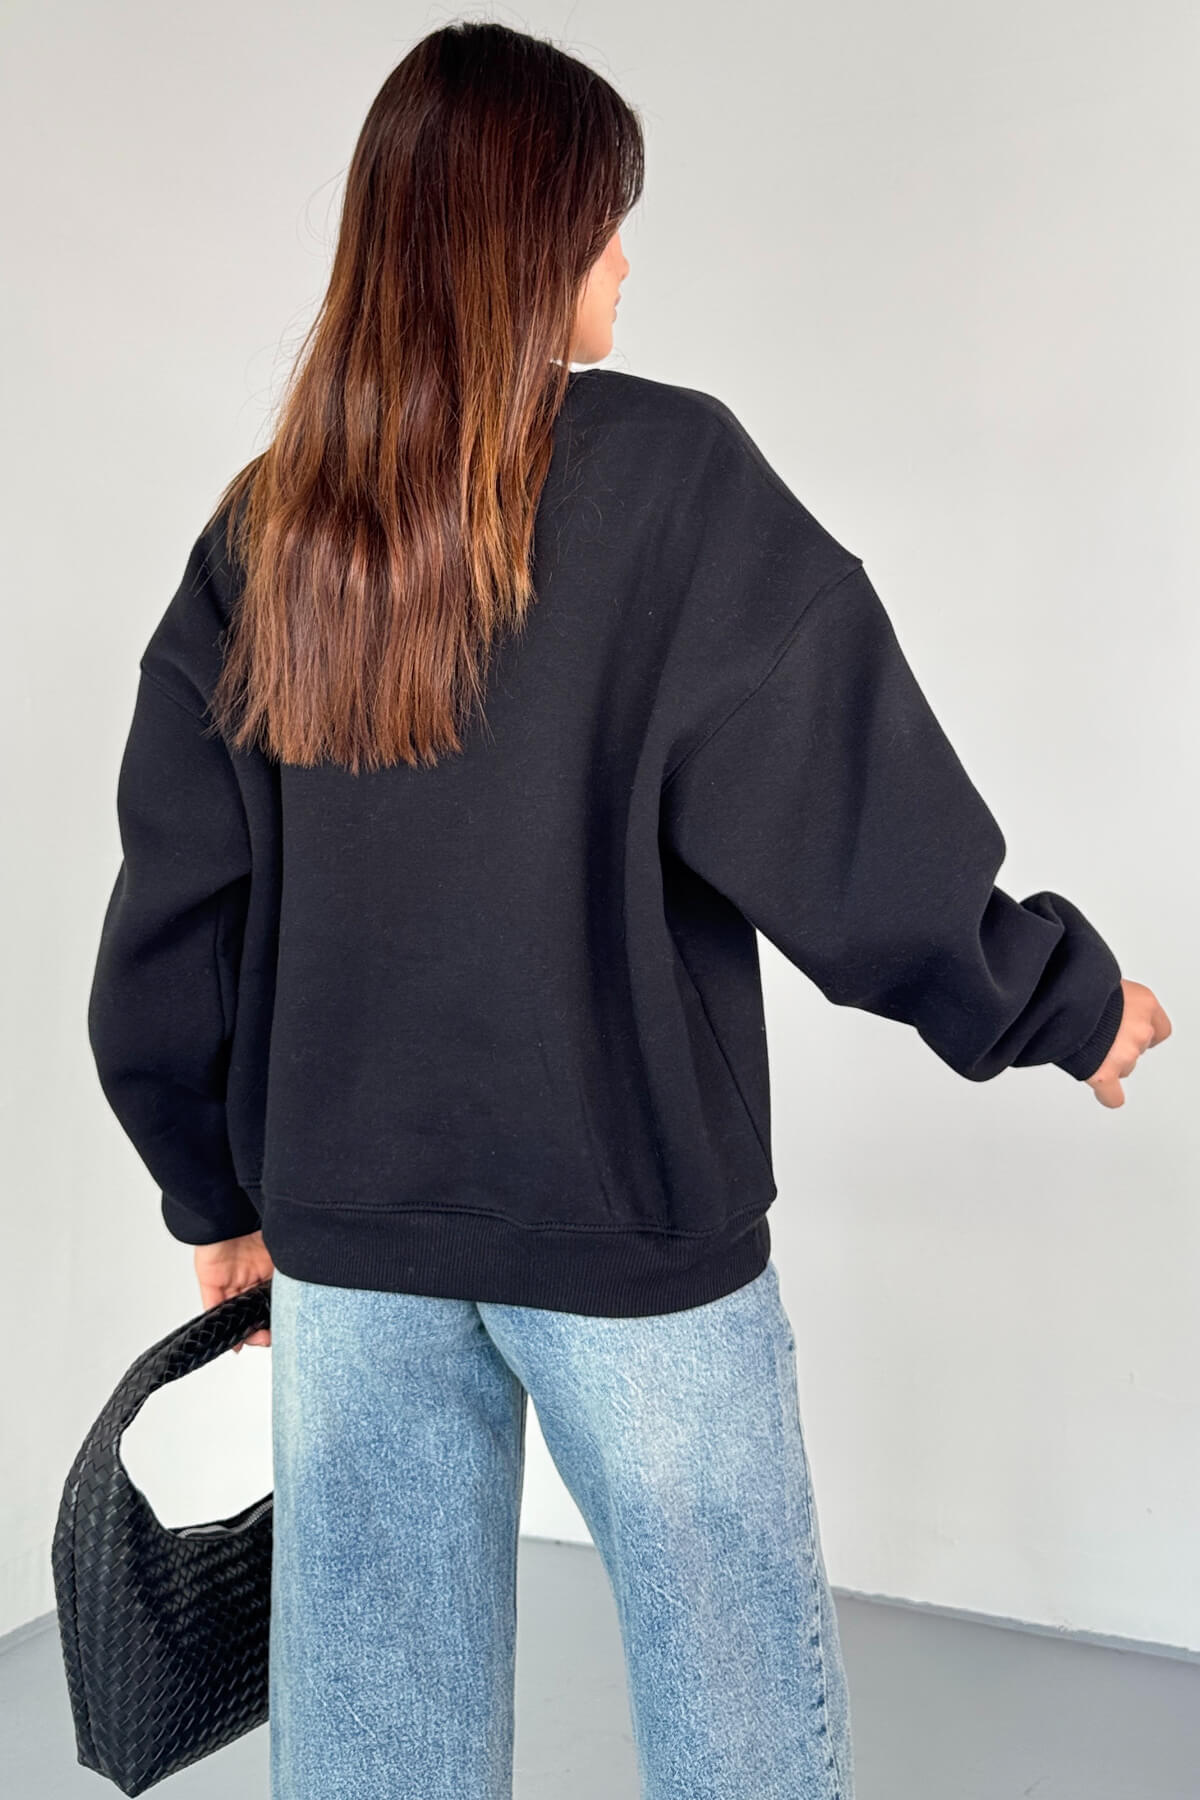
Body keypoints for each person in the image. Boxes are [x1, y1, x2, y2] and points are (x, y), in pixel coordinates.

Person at [85, 20, 1172, 1800]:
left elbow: (173, 915)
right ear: (531, 246)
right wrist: (1053, 997)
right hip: (633, 1226)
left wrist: (214, 1189)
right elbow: (840, 816)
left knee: (373, 1756)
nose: (623, 260)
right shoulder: (676, 479)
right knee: (740, 1739)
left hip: (352, 1238)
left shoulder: (274, 525)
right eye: (605, 224)